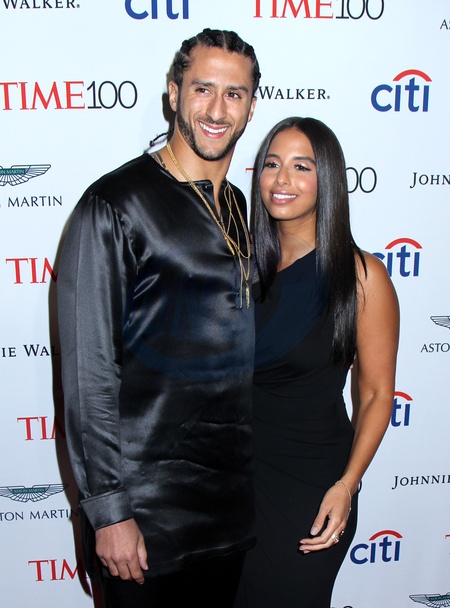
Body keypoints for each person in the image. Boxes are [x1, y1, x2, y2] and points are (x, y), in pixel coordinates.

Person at [57, 28, 260, 608]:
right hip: (144, 515)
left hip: (226, 510)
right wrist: (108, 510)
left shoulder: (237, 205)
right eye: (202, 89)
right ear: (173, 93)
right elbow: (89, 371)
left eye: (234, 94)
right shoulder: (115, 205)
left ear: (251, 107)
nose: (217, 110)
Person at [234, 117, 399, 608]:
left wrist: (347, 485)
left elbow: (376, 394)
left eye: (301, 166)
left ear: (327, 178)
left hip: (312, 487)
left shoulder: (362, 277)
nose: (281, 179)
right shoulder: (239, 264)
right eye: (272, 164)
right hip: (233, 480)